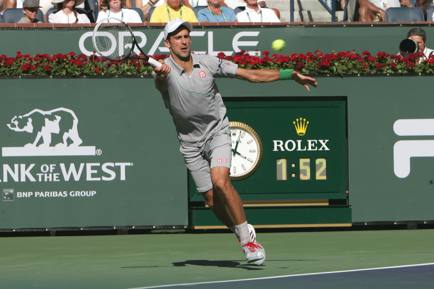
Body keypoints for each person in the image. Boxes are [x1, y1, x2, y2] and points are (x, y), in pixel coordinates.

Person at [153, 19, 317, 265]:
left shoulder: (207, 62)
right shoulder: (161, 70)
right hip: (189, 143)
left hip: (217, 132)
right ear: (168, 43)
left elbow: (249, 74)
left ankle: (247, 241)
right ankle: (241, 228)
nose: (184, 41)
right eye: (178, 38)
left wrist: (289, 74)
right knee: (210, 200)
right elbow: (160, 84)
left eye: (186, 36)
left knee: (220, 181)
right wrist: (160, 76)